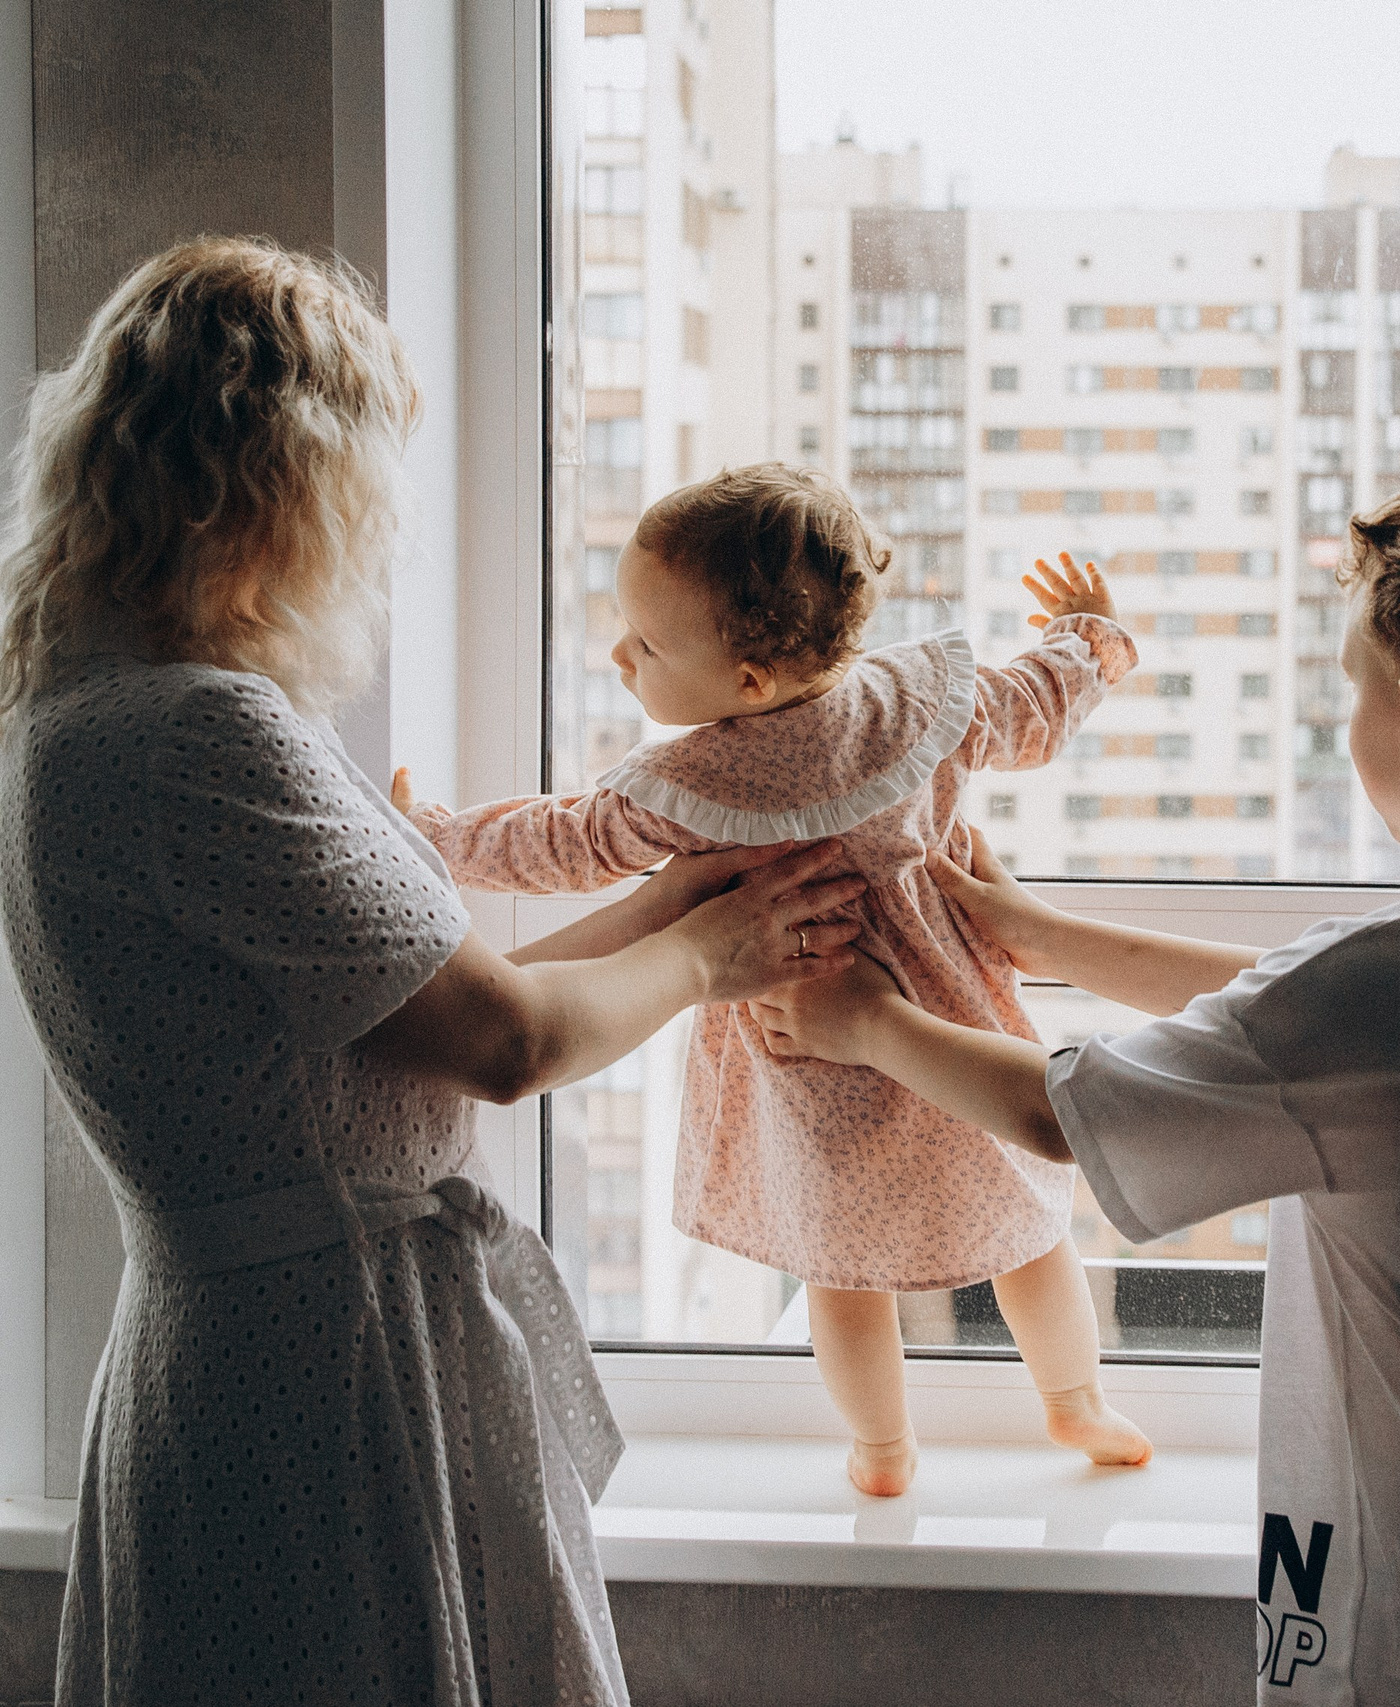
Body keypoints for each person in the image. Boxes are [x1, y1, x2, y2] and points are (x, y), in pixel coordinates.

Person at [753, 459, 1400, 1706]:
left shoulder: (1392, 998)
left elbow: (1063, 1109)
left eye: (1349, 695)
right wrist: (1039, 936)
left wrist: (865, 1019)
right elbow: (1299, 1009)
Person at [0, 238, 870, 1707]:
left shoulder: (80, 709)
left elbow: (424, 998)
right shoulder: (206, 732)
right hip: (322, 1377)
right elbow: (506, 1041)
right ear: (282, 478)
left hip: (235, 1354)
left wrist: (672, 904)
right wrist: (709, 949)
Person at [398, 467, 1149, 1495]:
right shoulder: (920, 699)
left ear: (748, 680)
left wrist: (433, 841)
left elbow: (562, 844)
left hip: (813, 1048)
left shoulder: (692, 785)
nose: (619, 655)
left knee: (842, 1272)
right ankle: (1076, 1403)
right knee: (1029, 1232)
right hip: (955, 1026)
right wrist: (1088, 638)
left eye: (645, 645)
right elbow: (1035, 703)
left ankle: (882, 1453)